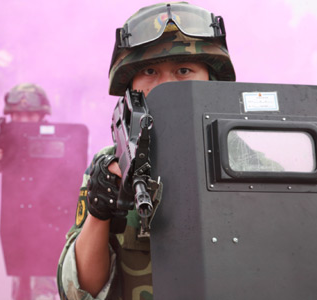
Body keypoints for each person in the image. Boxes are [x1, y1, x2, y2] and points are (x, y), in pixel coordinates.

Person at [57, 2, 235, 300]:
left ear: (211, 81)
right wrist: (100, 211)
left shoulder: (249, 161)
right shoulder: (111, 165)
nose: (165, 86)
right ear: (131, 89)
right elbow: (78, 291)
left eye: (183, 70)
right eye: (150, 71)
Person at [0, 83, 54, 300]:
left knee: (44, 287)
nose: (23, 120)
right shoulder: (4, 139)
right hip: (18, 223)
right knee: (21, 286)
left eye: (30, 115)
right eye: (18, 115)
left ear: (42, 115)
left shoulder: (60, 138)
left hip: (51, 222)